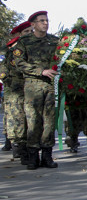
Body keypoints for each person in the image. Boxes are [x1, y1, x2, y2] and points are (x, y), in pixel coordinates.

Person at [13, 11, 59, 169]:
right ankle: (33, 156)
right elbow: (19, 62)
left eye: (47, 20)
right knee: (33, 121)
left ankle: (47, 155)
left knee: (49, 121)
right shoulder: (24, 42)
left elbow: (61, 59)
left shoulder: (54, 41)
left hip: (50, 85)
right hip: (33, 85)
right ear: (33, 24)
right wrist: (40, 71)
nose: (45, 23)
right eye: (41, 21)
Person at [0, 21, 32, 162]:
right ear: (19, 34)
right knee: (15, 118)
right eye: (26, 32)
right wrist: (7, 80)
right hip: (14, 88)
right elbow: (2, 69)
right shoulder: (9, 50)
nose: (29, 35)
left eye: (31, 32)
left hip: (31, 87)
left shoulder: (33, 47)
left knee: (30, 118)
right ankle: (16, 145)